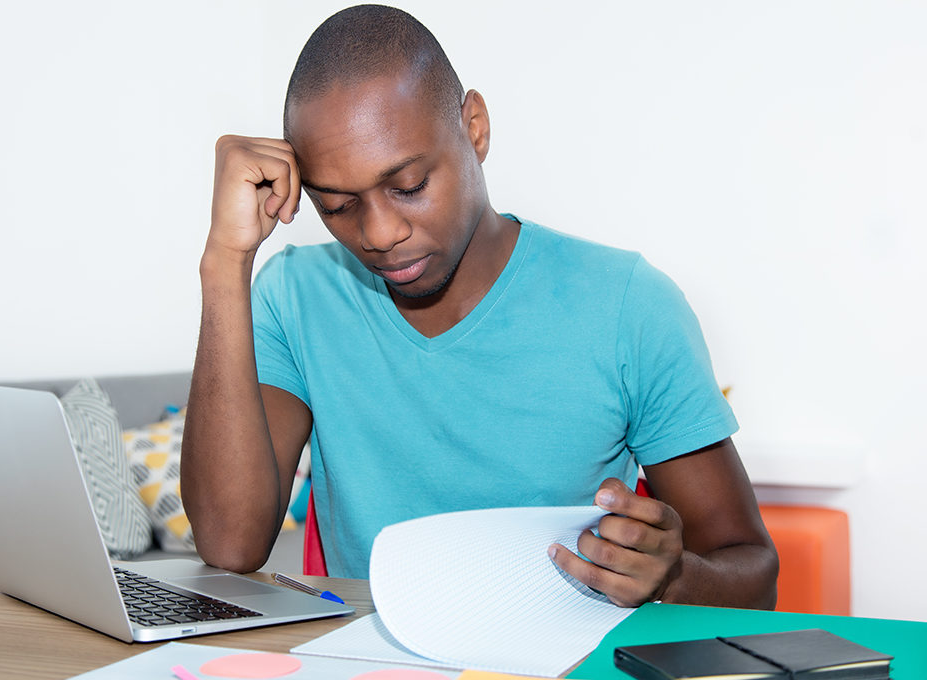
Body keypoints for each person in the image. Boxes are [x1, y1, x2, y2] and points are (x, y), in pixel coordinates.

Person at [181, 4, 777, 609]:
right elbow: (231, 545)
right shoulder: (295, 299)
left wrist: (671, 577)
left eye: (409, 186)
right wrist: (225, 259)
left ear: (475, 127)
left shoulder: (628, 305)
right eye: (337, 205)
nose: (380, 232)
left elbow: (752, 571)